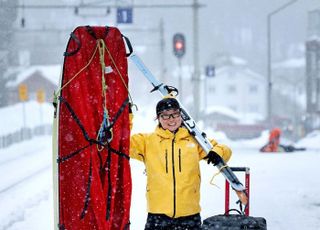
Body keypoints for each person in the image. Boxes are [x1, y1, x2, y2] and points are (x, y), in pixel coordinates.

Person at [130, 96, 232, 230]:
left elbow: (225, 150)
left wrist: (217, 152)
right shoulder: (147, 141)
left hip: (189, 215)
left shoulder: (194, 140)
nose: (171, 119)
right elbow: (121, 141)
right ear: (158, 118)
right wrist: (127, 117)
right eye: (165, 116)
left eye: (175, 114)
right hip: (158, 216)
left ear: (181, 115)